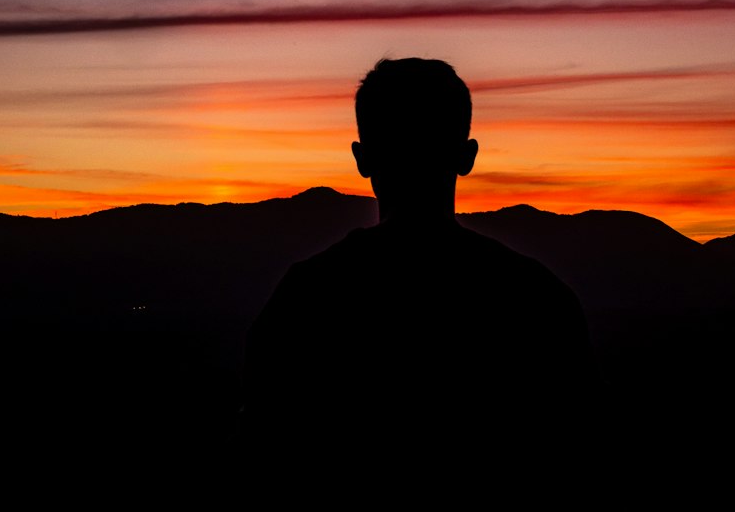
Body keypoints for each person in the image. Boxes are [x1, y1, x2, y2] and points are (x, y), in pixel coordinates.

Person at [242, 58, 590, 471]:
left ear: (362, 158)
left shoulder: (307, 296)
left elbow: (262, 450)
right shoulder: (535, 297)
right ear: (467, 156)